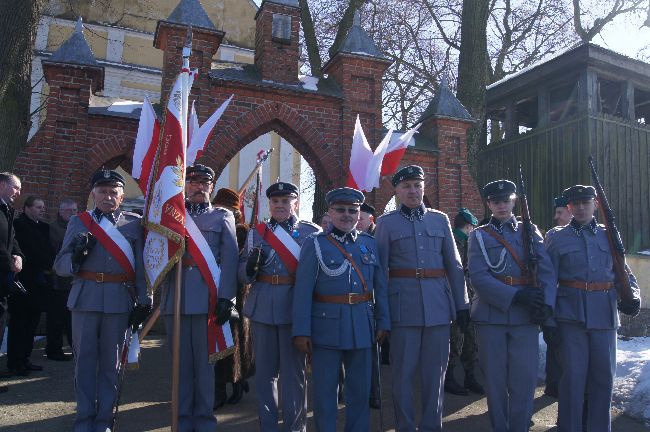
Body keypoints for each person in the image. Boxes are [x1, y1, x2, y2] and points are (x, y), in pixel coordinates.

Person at [54, 169, 151, 432]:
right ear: (93, 194)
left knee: (112, 364)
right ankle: (84, 420)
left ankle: (104, 421)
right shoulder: (79, 222)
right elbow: (60, 265)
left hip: (119, 300)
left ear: (121, 196)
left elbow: (141, 268)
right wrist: (75, 256)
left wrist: (144, 299)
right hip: (85, 299)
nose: (107, 196)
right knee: (84, 363)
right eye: (102, 191)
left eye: (113, 192)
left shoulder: (133, 223)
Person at [375, 165, 468, 432]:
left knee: (435, 376)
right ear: (396, 191)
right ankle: (405, 427)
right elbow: (380, 272)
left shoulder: (439, 220)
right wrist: (382, 314)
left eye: (417, 185)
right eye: (406, 186)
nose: (413, 191)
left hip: (438, 307)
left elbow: (455, 265)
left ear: (424, 187)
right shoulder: (385, 223)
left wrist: (461, 305)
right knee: (402, 375)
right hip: (402, 308)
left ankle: (431, 426)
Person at [544, 185, 641, 432]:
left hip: (604, 316)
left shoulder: (608, 234)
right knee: (573, 379)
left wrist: (633, 296)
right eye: (575, 204)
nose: (580, 207)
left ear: (595, 205)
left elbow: (623, 271)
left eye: (585, 203)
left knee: (603, 380)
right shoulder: (557, 237)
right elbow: (547, 280)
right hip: (570, 316)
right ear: (568, 207)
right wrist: (548, 318)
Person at [293, 187, 389, 431]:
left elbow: (380, 287)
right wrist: (301, 330)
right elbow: (303, 291)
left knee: (360, 392)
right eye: (341, 210)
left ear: (359, 214)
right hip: (326, 329)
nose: (347, 215)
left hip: (362, 327)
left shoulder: (369, 244)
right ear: (330, 212)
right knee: (326, 394)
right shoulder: (315, 245)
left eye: (353, 210)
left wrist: (383, 320)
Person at [467, 179, 557, 432]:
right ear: (489, 204)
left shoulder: (529, 230)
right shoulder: (480, 236)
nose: (502, 205)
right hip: (491, 315)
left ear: (514, 201)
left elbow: (547, 270)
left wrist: (547, 304)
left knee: (524, 379)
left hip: (525, 317)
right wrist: (515, 296)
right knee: (495, 380)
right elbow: (479, 277)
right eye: (496, 201)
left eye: (506, 200)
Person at [159, 164, 238, 431]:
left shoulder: (222, 216)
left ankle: (204, 421)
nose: (199, 187)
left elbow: (230, 259)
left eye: (205, 183)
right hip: (176, 297)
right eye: (193, 182)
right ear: (185, 186)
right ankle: (181, 421)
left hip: (208, 299)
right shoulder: (171, 215)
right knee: (180, 366)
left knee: (205, 367)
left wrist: (228, 297)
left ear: (211, 188)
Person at [239, 181, 319, 431]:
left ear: (295, 203)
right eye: (276, 201)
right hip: (263, 308)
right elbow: (242, 275)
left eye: (286, 201)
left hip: (294, 309)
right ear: (269, 204)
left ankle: (296, 428)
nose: (280, 205)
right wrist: (249, 268)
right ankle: (268, 426)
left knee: (294, 376)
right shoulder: (256, 233)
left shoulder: (311, 233)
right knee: (264, 375)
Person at [212, 188, 254, 408]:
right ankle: (218, 389)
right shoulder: (210, 227)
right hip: (214, 293)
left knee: (236, 343)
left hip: (237, 294)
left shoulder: (242, 232)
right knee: (217, 344)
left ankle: (238, 383)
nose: (222, 212)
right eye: (219, 208)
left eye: (227, 209)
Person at [8, 196, 55, 375]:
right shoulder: (19, 226)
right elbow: (29, 251)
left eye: (43, 207)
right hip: (24, 281)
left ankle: (25, 358)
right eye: (37, 207)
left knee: (31, 323)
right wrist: (47, 263)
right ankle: (15, 361)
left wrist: (50, 262)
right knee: (19, 323)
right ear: (27, 208)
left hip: (38, 283)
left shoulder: (43, 227)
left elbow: (48, 249)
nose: (41, 210)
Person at [445, 207, 484, 396]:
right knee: (458, 338)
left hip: (458, 297)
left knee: (466, 337)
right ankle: (451, 378)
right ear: (469, 226)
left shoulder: (456, 239)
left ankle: (468, 377)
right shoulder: (461, 242)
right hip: (459, 298)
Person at [542, 195, 572, 398]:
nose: (556, 217)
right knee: (556, 347)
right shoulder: (554, 237)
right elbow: (546, 275)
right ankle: (554, 386)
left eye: (559, 212)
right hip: (558, 304)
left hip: (574, 304)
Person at [47, 198, 78, 361]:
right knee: (56, 318)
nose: (72, 214)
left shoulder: (78, 227)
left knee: (72, 319)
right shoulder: (53, 228)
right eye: (68, 211)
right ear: (60, 212)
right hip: (58, 281)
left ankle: (75, 348)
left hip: (74, 281)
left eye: (74, 211)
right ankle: (54, 349)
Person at [0, 172, 23, 393]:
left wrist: (17, 255)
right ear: (2, 184)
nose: (18, 192)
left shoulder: (7, 210)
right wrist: (9, 263)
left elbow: (11, 239)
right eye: (15, 187)